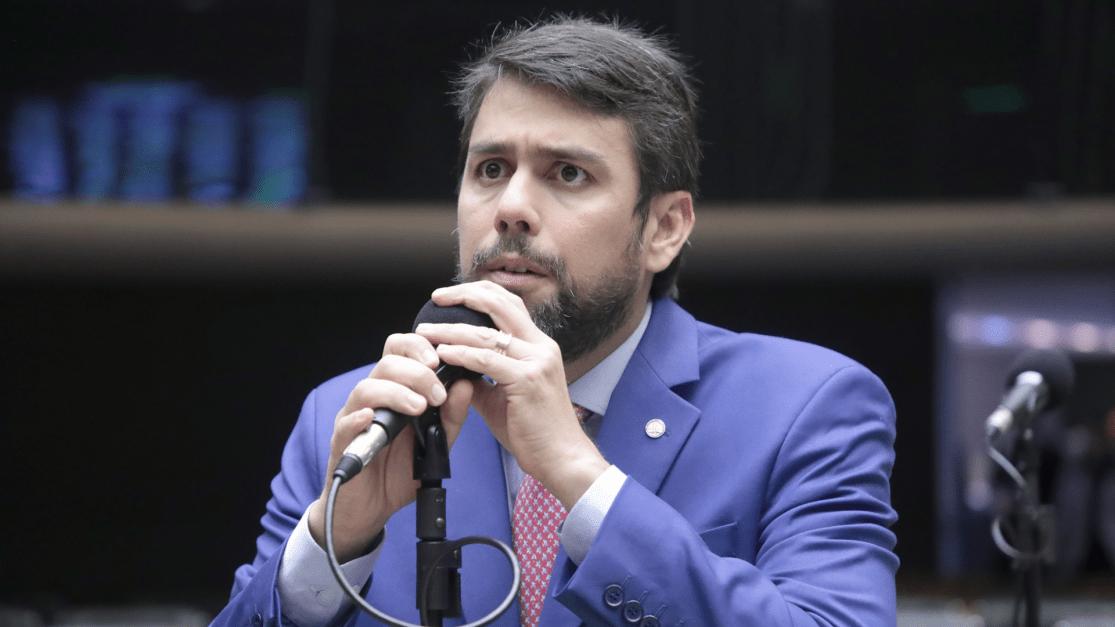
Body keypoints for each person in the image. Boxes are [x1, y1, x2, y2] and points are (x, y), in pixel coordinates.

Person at [211, 16, 899, 627]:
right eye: (490, 169)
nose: (511, 207)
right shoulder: (356, 418)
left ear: (664, 227)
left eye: (567, 173)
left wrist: (582, 477)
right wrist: (337, 541)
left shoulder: (805, 407)